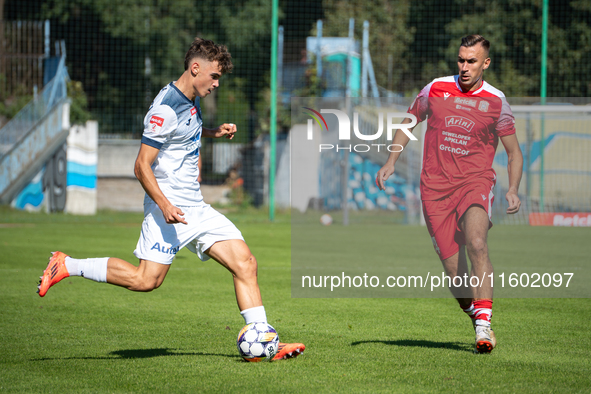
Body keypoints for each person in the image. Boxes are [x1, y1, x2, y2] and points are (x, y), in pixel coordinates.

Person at [38, 37, 305, 361]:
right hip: (168, 208)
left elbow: (183, 134)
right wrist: (164, 205)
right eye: (215, 76)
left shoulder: (189, 102)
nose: (217, 83)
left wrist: (213, 132)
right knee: (145, 280)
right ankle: (67, 264)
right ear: (196, 68)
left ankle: (264, 344)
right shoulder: (166, 108)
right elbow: (141, 165)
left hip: (196, 207)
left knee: (245, 263)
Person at [376, 35, 523, 353]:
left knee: (477, 242)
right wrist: (391, 161)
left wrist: (512, 189)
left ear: (485, 63)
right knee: (457, 280)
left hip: (475, 183)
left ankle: (484, 328)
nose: (464, 67)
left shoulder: (497, 101)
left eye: (472, 61)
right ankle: (474, 312)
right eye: (461, 60)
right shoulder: (435, 89)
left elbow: (514, 153)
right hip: (434, 191)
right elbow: (409, 122)